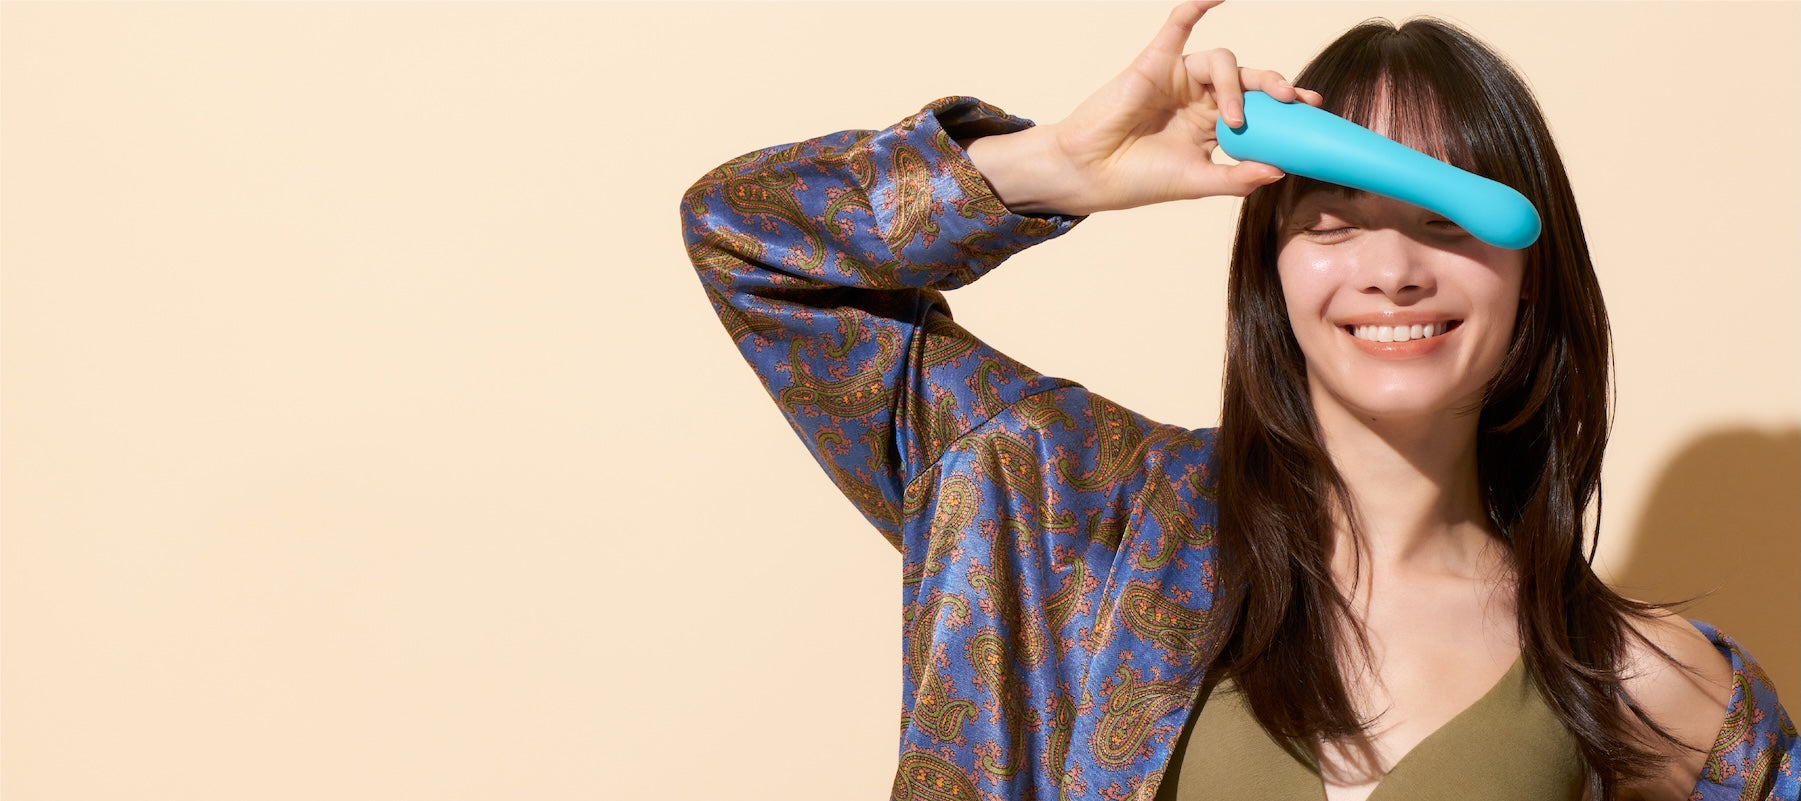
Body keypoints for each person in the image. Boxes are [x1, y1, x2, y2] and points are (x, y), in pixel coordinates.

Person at [678, 2, 1796, 799]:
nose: (1391, 271)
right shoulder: (1076, 509)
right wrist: (1053, 164)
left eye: (1445, 220)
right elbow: (748, 243)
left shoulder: (1634, 676)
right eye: (1334, 220)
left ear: (1531, 276)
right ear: (1270, 270)